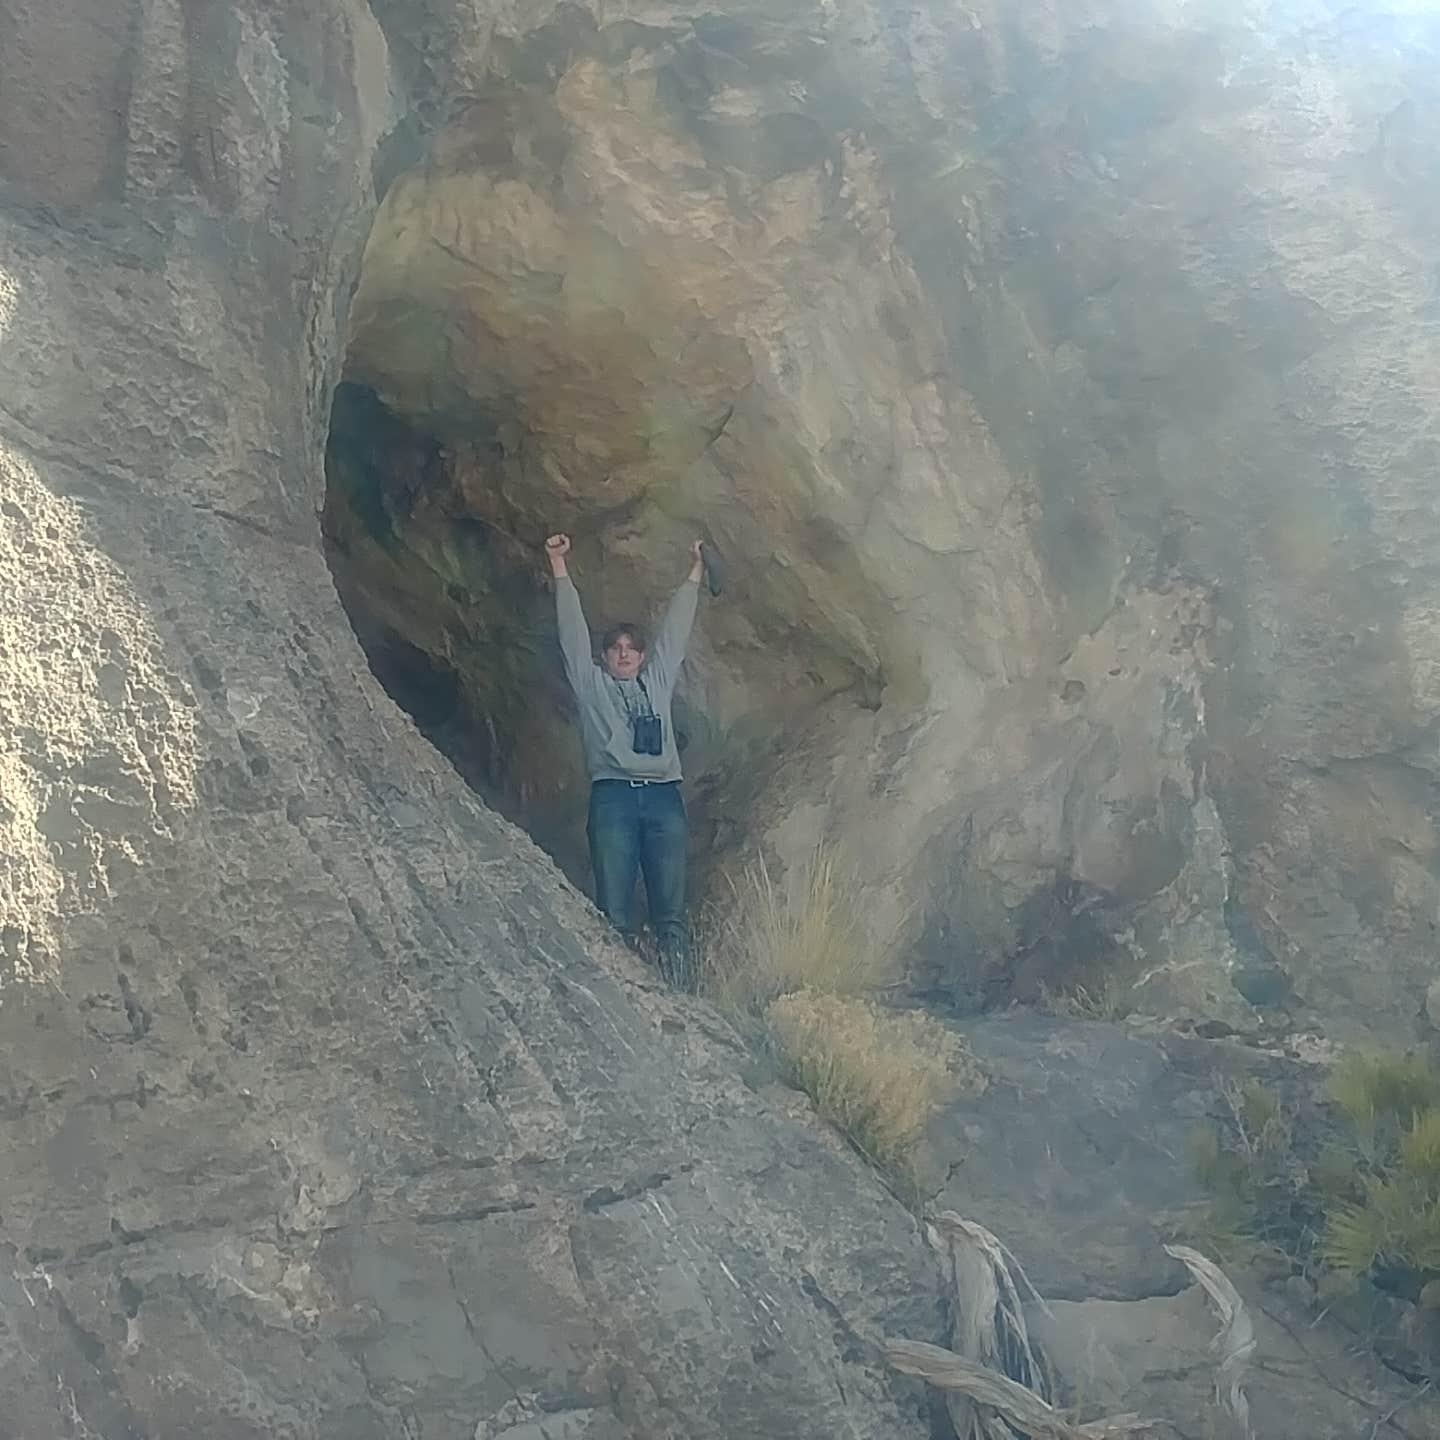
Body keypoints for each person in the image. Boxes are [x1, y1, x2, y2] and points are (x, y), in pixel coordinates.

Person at [544, 532, 704, 986]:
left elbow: (676, 632)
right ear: (604, 657)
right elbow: (571, 635)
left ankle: (681, 995)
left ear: (641, 656)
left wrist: (695, 574)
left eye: (631, 649)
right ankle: (624, 1000)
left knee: (670, 914)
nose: (623, 655)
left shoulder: (655, 685)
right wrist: (559, 568)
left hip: (662, 800)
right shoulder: (591, 687)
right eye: (615, 649)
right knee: (615, 914)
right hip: (613, 798)